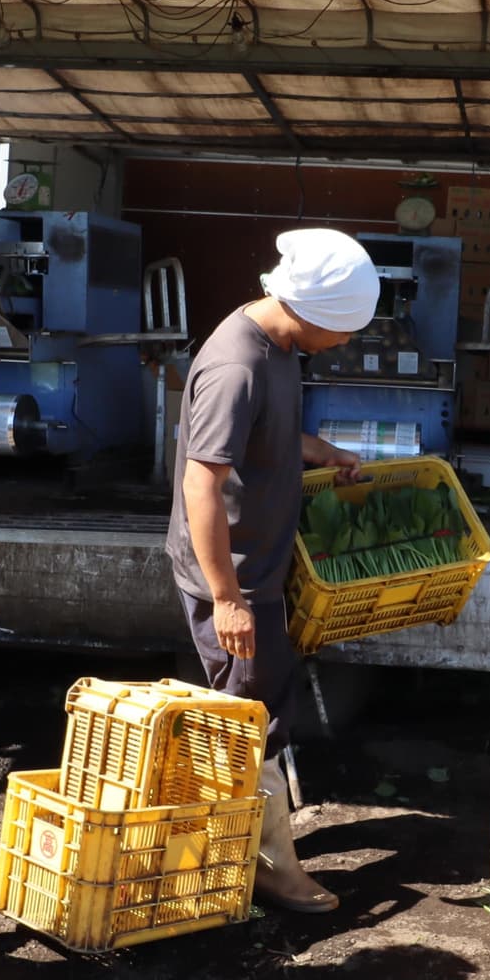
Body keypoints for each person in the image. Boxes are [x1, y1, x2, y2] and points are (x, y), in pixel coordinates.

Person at [167, 228, 380, 913]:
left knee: (263, 700)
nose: (344, 342)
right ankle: (265, 868)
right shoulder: (238, 362)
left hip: (257, 561)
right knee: (250, 714)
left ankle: (252, 847)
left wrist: (319, 451)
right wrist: (226, 597)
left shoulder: (280, 345)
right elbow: (202, 485)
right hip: (231, 573)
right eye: (342, 330)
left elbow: (269, 432)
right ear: (311, 310)